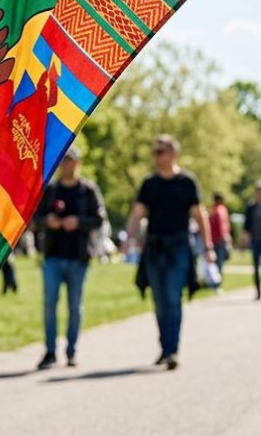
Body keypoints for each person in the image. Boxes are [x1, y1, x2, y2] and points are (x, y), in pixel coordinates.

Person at [126, 134, 215, 370]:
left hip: (179, 248)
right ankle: (165, 346)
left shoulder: (187, 182)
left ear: (173, 153)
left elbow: (199, 215)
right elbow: (137, 214)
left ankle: (172, 350)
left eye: (161, 151)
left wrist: (208, 248)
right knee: (159, 300)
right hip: (154, 248)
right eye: (154, 152)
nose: (157, 156)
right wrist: (129, 237)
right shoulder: (149, 184)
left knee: (173, 299)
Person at [35, 145, 106, 369]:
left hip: (78, 256)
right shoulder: (51, 189)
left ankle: (71, 350)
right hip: (53, 256)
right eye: (63, 160)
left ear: (78, 163)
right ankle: (50, 351)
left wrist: (79, 222)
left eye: (70, 160)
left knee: (75, 306)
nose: (67, 164)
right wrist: (49, 221)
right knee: (49, 304)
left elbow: (99, 219)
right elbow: (35, 217)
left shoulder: (87, 190)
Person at [208, 193, 233, 287]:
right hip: (219, 239)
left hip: (216, 239)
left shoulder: (215, 210)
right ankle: (216, 282)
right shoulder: (222, 210)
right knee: (219, 262)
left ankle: (216, 283)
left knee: (217, 262)